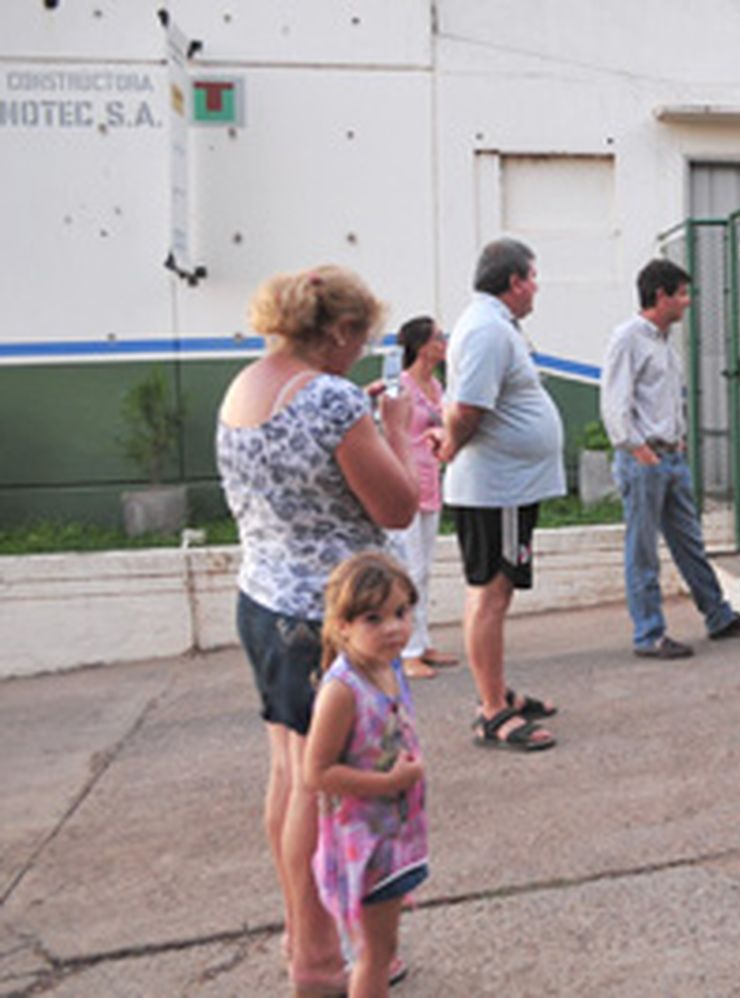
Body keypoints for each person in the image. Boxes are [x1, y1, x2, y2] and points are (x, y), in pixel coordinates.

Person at [216, 265, 418, 991]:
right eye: (359, 338)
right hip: (326, 620)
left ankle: (303, 935)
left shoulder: (244, 387)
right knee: (323, 790)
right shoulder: (332, 400)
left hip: (263, 603)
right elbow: (397, 506)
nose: (360, 354)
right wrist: (390, 427)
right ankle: (321, 961)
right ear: (336, 332)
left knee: (288, 776)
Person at [601, 258, 740, 658]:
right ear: (661, 296)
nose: (688, 302)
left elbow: (665, 400)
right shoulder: (628, 339)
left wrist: (680, 440)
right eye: (683, 294)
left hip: (670, 458)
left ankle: (718, 616)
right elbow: (614, 401)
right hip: (646, 460)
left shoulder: (663, 343)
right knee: (642, 550)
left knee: (689, 543)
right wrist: (637, 448)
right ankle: (649, 634)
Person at [436, 237, 562, 751]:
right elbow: (468, 409)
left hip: (506, 484)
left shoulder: (492, 325)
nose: (536, 288)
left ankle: (497, 692)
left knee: (493, 592)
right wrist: (448, 447)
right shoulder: (488, 329)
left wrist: (447, 441)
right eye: (532, 278)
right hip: (499, 486)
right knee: (490, 593)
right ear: (514, 281)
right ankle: (492, 712)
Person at [306, 551, 429, 998]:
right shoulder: (343, 690)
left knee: (383, 947)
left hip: (394, 835)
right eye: (374, 618)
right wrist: (390, 784)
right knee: (375, 956)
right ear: (342, 626)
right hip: (365, 845)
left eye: (401, 612)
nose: (395, 627)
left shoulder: (388, 665)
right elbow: (316, 772)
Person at [391, 316, 458, 681]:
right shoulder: (399, 387)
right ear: (421, 346)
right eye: (438, 337)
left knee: (426, 567)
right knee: (409, 568)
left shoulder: (435, 385)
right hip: (405, 482)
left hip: (431, 480)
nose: (444, 343)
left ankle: (423, 640)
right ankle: (406, 650)